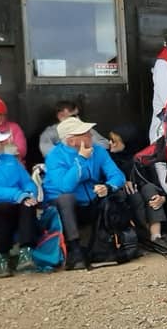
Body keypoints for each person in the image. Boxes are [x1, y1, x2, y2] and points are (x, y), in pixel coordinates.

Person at [43, 116, 127, 271]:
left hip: (90, 200)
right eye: (85, 133)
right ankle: (75, 251)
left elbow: (118, 176)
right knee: (66, 198)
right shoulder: (54, 156)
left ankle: (109, 246)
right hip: (63, 206)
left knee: (113, 196)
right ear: (71, 141)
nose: (90, 135)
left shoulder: (98, 150)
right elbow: (65, 187)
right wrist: (81, 159)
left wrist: (107, 187)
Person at [108, 125, 167, 254]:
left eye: (114, 141)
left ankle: (155, 236)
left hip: (148, 196)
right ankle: (148, 234)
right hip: (129, 200)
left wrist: (162, 197)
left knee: (150, 189)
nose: (110, 143)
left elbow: (156, 181)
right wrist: (122, 181)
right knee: (134, 194)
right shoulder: (109, 158)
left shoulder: (143, 157)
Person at [0, 126, 39, 277]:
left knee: (28, 204)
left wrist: (29, 194)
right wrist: (18, 195)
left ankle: (25, 252)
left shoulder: (10, 160)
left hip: (14, 204)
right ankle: (2, 255)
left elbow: (27, 181)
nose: (3, 143)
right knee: (5, 208)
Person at [39, 100, 109, 158]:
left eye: (78, 115)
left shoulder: (85, 128)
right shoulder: (50, 133)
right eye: (73, 116)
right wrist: (77, 153)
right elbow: (47, 152)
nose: (78, 118)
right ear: (60, 115)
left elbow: (105, 144)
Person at [0, 97, 27, 165]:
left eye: (2, 114)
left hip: (12, 165)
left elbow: (22, 151)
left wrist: (2, 149)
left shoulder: (14, 128)